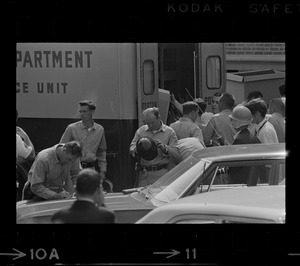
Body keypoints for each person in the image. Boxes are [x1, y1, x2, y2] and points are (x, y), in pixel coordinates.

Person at [129, 107, 179, 187]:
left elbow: (176, 153)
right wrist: (137, 149)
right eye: (147, 123)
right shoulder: (141, 131)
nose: (150, 125)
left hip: (160, 173)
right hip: (143, 173)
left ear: (159, 118)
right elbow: (132, 147)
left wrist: (164, 148)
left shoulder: (169, 132)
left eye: (152, 122)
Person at [60, 100, 107, 181]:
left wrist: (103, 171)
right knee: (73, 192)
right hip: (73, 169)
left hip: (91, 169)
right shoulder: (72, 128)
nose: (81, 114)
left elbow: (101, 151)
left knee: (90, 192)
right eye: (80, 111)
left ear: (92, 112)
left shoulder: (100, 129)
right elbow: (62, 148)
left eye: (84, 111)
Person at [51, 169, 116, 224]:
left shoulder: (59, 217)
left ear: (76, 190)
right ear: (99, 191)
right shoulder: (107, 216)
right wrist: (102, 204)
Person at [228, 105, 261, 184]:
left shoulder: (239, 140)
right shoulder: (254, 138)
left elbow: (234, 166)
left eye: (231, 120)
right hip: (252, 183)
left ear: (236, 122)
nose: (231, 122)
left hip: (240, 184)